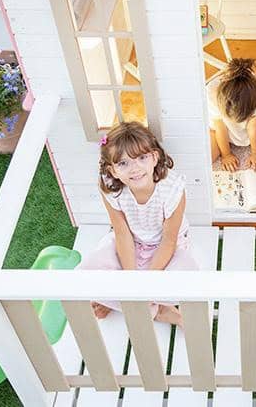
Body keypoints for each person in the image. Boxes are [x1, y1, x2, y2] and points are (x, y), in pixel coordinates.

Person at [78, 121, 197, 325]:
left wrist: (144, 284)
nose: (135, 169)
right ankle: (157, 310)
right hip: (130, 243)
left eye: (142, 158)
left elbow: (169, 240)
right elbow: (122, 234)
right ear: (113, 170)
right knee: (84, 276)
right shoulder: (112, 189)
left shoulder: (172, 189)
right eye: (123, 163)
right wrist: (131, 280)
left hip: (167, 247)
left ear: (154, 157)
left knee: (189, 281)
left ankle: (142, 305)